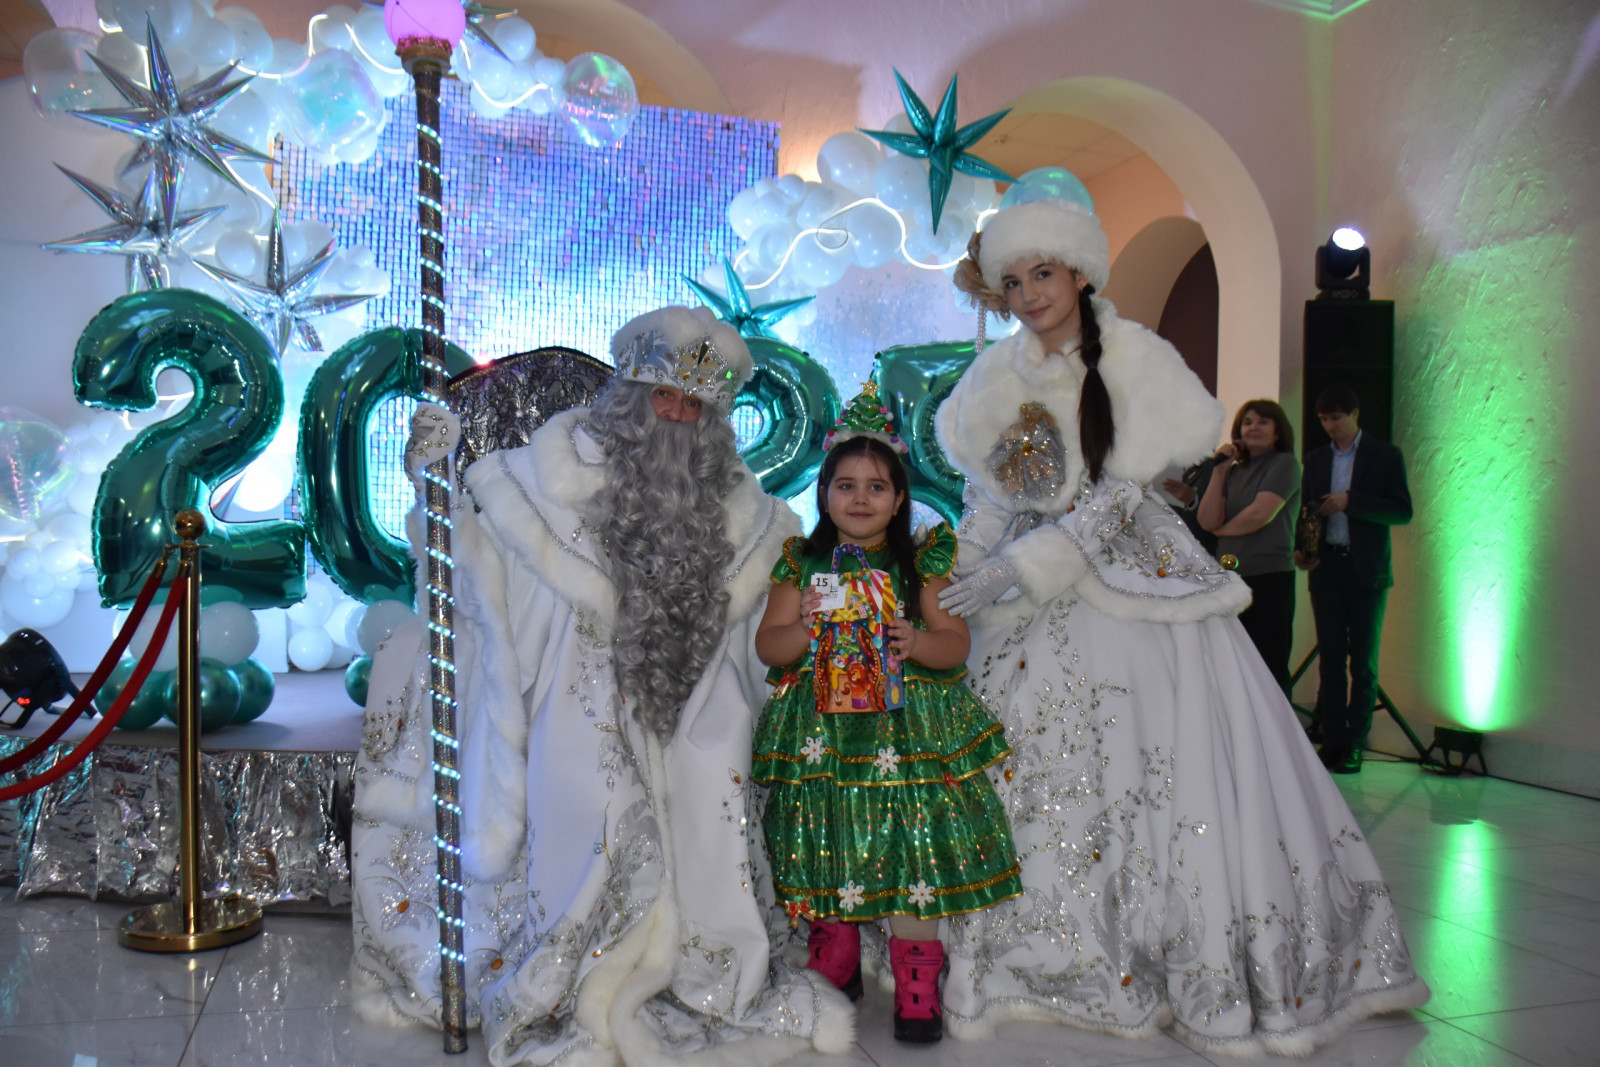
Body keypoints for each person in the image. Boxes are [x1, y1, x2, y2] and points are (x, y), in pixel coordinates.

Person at [933, 198, 1429, 1055]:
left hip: (1130, 581)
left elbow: (1119, 497)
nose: (1028, 293)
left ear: (1079, 272)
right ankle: (1020, 955)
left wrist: (1027, 565)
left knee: (1164, 759)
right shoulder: (992, 377)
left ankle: (1164, 960)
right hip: (1021, 592)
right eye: (1011, 281)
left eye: (1042, 273)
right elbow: (989, 499)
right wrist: (955, 569)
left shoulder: (1134, 357)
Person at [350, 307, 855, 1065]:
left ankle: (699, 958)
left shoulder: (750, 512)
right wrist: (434, 489)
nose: (676, 416)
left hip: (697, 701)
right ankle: (587, 969)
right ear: (629, 396)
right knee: (594, 791)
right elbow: (467, 577)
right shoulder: (537, 478)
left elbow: (769, 627)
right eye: (663, 396)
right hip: (569, 690)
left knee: (713, 777)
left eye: (695, 406)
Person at [749, 387, 1023, 1046]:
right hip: (823, 732)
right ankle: (834, 957)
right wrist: (807, 630)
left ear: (900, 499)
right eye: (845, 485)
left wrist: (914, 641)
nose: (861, 498)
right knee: (828, 832)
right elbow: (769, 646)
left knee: (910, 848)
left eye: (877, 486)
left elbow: (954, 646)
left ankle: (917, 977)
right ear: (823, 494)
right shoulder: (801, 563)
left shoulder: (919, 563)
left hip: (905, 730)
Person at [1298, 386, 1413, 774]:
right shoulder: (1316, 459)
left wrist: (1351, 502)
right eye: (1324, 420)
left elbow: (1402, 511)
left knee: (1363, 663)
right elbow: (1307, 509)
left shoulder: (1385, 455)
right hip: (1327, 566)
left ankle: (1355, 744)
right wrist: (1302, 548)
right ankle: (1331, 741)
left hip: (1366, 569)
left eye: (1336, 417)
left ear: (1355, 414)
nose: (1331, 426)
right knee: (1330, 660)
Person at [1197, 399, 1301, 696]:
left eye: (1263, 422)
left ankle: (1277, 726)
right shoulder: (1232, 471)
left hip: (1268, 578)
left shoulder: (1284, 464)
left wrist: (1221, 531)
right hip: (1229, 578)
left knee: (1268, 664)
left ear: (1278, 432)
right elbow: (1207, 519)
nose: (1254, 427)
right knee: (1230, 663)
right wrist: (1219, 472)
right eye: (1248, 422)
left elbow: (1260, 514)